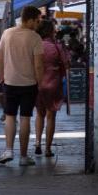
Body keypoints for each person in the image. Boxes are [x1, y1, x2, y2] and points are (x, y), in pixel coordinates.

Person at [0, 5, 44, 167]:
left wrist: (2, 76)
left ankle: (8, 150)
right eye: (37, 21)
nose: (38, 24)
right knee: (25, 118)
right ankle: (23, 156)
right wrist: (40, 81)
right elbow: (38, 65)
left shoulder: (7, 33)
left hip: (9, 82)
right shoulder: (35, 38)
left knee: (10, 116)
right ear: (29, 20)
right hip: (29, 84)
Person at [34, 19, 70, 158]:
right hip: (53, 84)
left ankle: (37, 143)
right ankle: (48, 148)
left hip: (37, 84)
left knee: (39, 114)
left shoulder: (35, 45)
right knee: (50, 116)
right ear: (50, 31)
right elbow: (66, 64)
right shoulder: (57, 46)